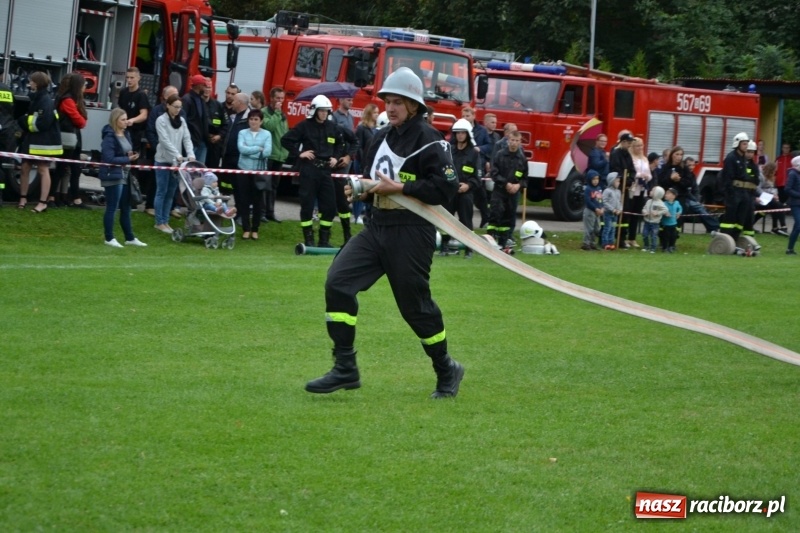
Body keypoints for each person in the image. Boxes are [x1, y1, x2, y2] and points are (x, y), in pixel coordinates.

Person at [305, 66, 463, 399]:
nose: (390, 108)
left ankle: (446, 368)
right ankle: (345, 367)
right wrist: (361, 189)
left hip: (411, 231)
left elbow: (446, 188)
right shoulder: (379, 136)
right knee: (338, 283)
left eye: (398, 102)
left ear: (415, 106)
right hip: (377, 226)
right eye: (388, 101)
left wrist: (402, 188)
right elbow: (376, 179)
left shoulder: (430, 139)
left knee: (415, 308)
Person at [281, 94, 349, 248]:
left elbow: (341, 144)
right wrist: (299, 153)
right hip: (309, 169)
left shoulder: (332, 127)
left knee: (330, 206)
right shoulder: (304, 125)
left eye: (326, 111)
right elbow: (285, 140)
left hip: (326, 171)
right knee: (307, 205)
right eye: (322, 111)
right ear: (314, 110)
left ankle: (324, 240)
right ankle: (309, 239)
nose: (324, 114)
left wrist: (335, 157)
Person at [98, 108, 147, 248]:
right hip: (112, 174)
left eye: (126, 119)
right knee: (112, 207)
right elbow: (108, 158)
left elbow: (126, 152)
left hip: (125, 174)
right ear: (115, 121)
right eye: (123, 120)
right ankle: (109, 238)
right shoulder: (109, 136)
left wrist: (131, 156)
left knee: (126, 207)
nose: (126, 122)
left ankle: (129, 237)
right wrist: (126, 158)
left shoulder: (126, 134)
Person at [17, 71, 62, 213]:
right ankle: (22, 199)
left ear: (36, 83)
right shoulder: (37, 98)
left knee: (43, 169)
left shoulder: (45, 101)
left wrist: (23, 120)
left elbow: (41, 124)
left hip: (43, 142)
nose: (29, 83)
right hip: (33, 140)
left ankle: (43, 203)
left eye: (31, 81)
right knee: (24, 168)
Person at [153, 94, 195, 234]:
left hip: (176, 162)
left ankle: (166, 220)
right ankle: (159, 222)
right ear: (168, 106)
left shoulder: (182, 120)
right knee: (161, 191)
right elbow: (164, 141)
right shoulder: (161, 120)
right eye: (175, 107)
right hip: (163, 160)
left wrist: (190, 154)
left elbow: (187, 138)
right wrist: (177, 154)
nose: (178, 110)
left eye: (180, 107)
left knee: (171, 193)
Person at [658, 146, 719, 234]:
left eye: (681, 154)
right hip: (667, 198)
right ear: (672, 155)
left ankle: (714, 227)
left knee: (683, 216)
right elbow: (661, 182)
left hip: (682, 197)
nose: (679, 157)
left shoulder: (684, 169)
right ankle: (663, 239)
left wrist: (679, 180)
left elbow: (688, 183)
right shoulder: (665, 168)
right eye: (677, 154)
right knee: (666, 218)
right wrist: (670, 178)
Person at [442, 118, 480, 258]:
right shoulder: (449, 151)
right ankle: (444, 247)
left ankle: (469, 249)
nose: (460, 136)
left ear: (468, 134)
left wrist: (468, 186)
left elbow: (478, 177)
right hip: (450, 193)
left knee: (466, 221)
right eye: (457, 133)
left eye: (462, 133)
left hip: (466, 194)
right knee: (446, 220)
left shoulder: (474, 153)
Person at [52, 72, 89, 209]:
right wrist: (81, 120)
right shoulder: (68, 100)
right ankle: (52, 197)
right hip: (68, 137)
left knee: (74, 169)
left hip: (74, 137)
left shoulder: (73, 99)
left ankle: (73, 198)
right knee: (61, 169)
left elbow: (81, 120)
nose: (85, 86)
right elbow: (80, 121)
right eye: (84, 84)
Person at [487, 130, 526, 253]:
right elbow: (494, 173)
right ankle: (489, 241)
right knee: (495, 214)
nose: (514, 143)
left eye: (516, 141)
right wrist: (506, 183)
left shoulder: (522, 159)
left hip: (513, 193)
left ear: (520, 142)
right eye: (512, 140)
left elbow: (525, 178)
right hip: (499, 191)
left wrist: (518, 185)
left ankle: (503, 243)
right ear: (508, 141)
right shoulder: (499, 155)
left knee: (508, 218)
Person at [145, 85, 181, 216]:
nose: (177, 98)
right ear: (165, 98)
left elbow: (184, 135)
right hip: (159, 153)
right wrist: (157, 147)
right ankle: (150, 206)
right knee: (156, 182)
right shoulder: (157, 112)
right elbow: (151, 131)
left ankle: (170, 208)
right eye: (173, 95)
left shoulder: (180, 115)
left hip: (174, 156)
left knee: (172, 185)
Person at [236, 108, 272, 240]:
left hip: (259, 172)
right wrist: (258, 149)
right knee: (244, 200)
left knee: (258, 201)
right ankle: (246, 228)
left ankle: (255, 229)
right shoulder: (242, 133)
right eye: (251, 119)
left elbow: (267, 152)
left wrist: (249, 151)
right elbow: (241, 149)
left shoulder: (267, 134)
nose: (253, 122)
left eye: (256, 119)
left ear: (261, 121)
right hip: (243, 169)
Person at [719, 133, 758, 243]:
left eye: (747, 144)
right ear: (738, 144)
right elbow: (727, 178)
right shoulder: (731, 158)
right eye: (744, 144)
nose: (746, 146)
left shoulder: (742, 158)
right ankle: (725, 240)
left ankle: (735, 241)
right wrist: (729, 194)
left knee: (740, 219)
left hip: (743, 193)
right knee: (730, 219)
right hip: (734, 193)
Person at [330, 96, 359, 243]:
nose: (351, 102)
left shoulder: (351, 117)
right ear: (341, 100)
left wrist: (349, 156)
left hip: (347, 158)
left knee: (343, 186)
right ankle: (334, 209)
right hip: (336, 158)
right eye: (348, 99)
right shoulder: (334, 117)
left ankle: (343, 214)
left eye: (352, 100)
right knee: (336, 187)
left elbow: (353, 138)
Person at [261, 87, 289, 223]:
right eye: (277, 98)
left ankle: (270, 212)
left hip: (279, 155)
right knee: (265, 185)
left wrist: (286, 151)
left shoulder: (282, 115)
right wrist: (277, 113)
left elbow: (284, 133)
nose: (280, 101)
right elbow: (270, 127)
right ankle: (262, 212)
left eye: (282, 98)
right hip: (268, 155)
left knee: (274, 186)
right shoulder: (264, 113)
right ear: (271, 98)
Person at [220, 92, 250, 202]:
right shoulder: (233, 116)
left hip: (240, 158)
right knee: (224, 184)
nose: (232, 102)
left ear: (240, 103)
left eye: (234, 100)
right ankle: (224, 207)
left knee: (239, 187)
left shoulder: (249, 118)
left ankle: (240, 213)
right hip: (228, 156)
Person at [353, 102, 379, 224]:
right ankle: (356, 215)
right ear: (369, 113)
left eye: (378, 113)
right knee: (359, 189)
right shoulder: (361, 128)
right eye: (375, 112)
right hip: (361, 162)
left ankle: (366, 214)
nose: (377, 115)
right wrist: (364, 163)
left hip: (371, 163)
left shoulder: (374, 129)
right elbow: (359, 147)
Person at [609, 132, 635, 247]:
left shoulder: (628, 155)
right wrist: (623, 179)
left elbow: (632, 169)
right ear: (623, 142)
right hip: (618, 186)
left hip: (626, 186)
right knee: (616, 211)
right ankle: (612, 237)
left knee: (625, 212)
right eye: (628, 143)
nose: (630, 145)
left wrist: (630, 179)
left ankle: (622, 238)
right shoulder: (615, 154)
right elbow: (616, 169)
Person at [624, 137, 651, 248]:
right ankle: (624, 237)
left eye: (641, 146)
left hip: (641, 189)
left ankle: (632, 238)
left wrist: (646, 177)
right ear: (632, 147)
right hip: (632, 189)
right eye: (637, 146)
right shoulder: (630, 158)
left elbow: (649, 174)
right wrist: (638, 175)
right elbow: (629, 172)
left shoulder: (644, 159)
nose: (640, 148)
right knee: (628, 213)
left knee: (636, 214)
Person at [181, 74, 209, 165]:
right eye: (204, 86)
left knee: (200, 170)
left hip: (201, 141)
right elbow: (184, 120)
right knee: (189, 168)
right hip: (192, 141)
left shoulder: (201, 100)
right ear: (199, 85)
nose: (206, 88)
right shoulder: (187, 99)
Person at [754, 162, 788, 236]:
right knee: (778, 205)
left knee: (777, 205)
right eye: (774, 170)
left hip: (769, 197)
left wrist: (775, 195)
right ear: (770, 170)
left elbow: (773, 188)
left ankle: (776, 227)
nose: (775, 172)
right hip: (761, 196)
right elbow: (758, 189)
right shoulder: (760, 176)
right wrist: (770, 195)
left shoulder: (772, 177)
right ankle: (781, 227)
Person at [204, 77, 226, 169]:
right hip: (201, 142)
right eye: (205, 87)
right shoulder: (197, 103)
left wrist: (219, 136)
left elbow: (226, 124)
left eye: (209, 87)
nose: (207, 89)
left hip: (214, 144)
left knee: (211, 171)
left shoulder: (218, 105)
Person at [641, 186, 669, 253]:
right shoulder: (648, 201)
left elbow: (665, 210)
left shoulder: (660, 203)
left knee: (654, 236)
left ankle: (653, 248)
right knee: (644, 234)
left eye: (652, 191)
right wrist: (644, 212)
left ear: (657, 193)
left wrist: (658, 213)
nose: (650, 191)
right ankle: (646, 246)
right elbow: (644, 208)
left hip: (655, 223)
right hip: (647, 221)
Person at [581, 169, 603, 251]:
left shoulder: (599, 189)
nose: (595, 181)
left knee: (597, 228)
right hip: (590, 211)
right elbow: (588, 201)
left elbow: (600, 199)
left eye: (597, 179)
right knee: (589, 228)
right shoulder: (588, 189)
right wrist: (595, 208)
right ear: (590, 179)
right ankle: (586, 243)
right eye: (593, 179)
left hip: (597, 212)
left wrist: (602, 207)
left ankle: (592, 243)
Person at [601, 172, 622, 250]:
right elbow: (604, 202)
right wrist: (612, 209)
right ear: (612, 181)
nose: (618, 183)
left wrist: (620, 209)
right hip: (608, 213)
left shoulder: (618, 192)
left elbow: (620, 202)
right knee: (607, 228)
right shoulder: (607, 191)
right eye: (617, 181)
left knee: (613, 228)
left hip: (615, 214)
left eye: (619, 181)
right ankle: (605, 243)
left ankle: (611, 242)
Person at [785, 156, 800, 255]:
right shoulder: (792, 174)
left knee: (797, 226)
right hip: (795, 203)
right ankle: (790, 249)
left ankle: (790, 249)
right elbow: (787, 189)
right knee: (799, 225)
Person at [661, 187, 682, 253]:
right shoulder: (664, 203)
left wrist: (679, 212)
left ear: (673, 196)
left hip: (673, 223)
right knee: (665, 236)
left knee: (673, 236)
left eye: (668, 193)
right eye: (666, 193)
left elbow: (680, 208)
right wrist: (665, 213)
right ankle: (665, 248)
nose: (665, 195)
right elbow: (661, 209)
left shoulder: (677, 203)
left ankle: (671, 246)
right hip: (666, 224)